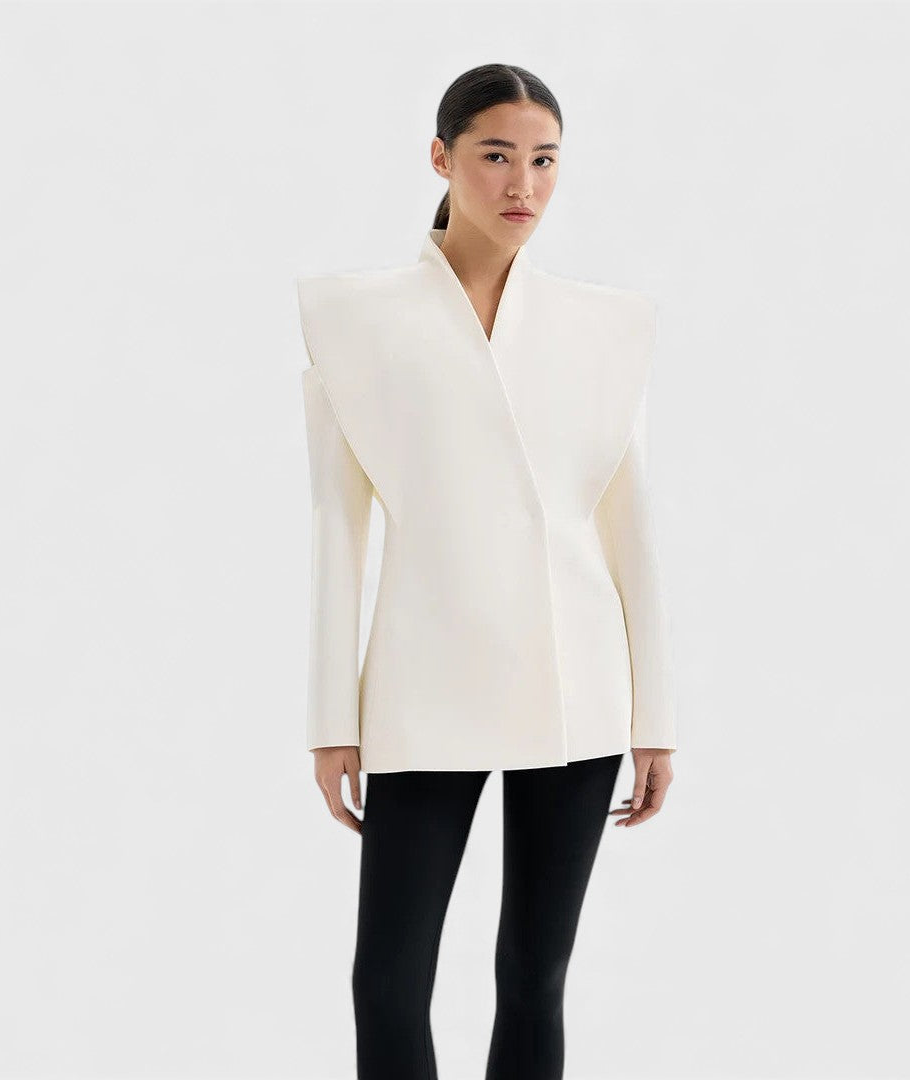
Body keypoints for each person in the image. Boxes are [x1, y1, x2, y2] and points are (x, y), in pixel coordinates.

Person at [297, 63, 677, 1080]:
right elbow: (337, 526)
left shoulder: (607, 326)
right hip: (426, 682)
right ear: (442, 157)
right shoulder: (352, 318)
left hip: (577, 679)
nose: (523, 184)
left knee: (534, 976)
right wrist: (332, 719)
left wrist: (656, 717)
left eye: (545, 160)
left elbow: (631, 527)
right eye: (496, 156)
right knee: (388, 982)